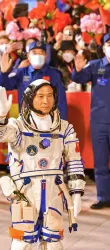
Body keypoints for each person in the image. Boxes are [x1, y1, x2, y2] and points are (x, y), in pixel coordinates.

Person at [0, 80, 85, 250]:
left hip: (54, 193)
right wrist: (1, 115)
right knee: (23, 242)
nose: (46, 101)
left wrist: (76, 193)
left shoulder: (64, 128)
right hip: (26, 194)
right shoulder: (18, 126)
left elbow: (75, 160)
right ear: (30, 98)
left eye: (49, 96)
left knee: (54, 243)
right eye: (40, 96)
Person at [72, 33, 110, 209]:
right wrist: (78, 70)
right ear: (103, 48)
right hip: (99, 122)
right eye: (108, 43)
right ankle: (103, 197)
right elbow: (78, 79)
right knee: (101, 162)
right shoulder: (95, 66)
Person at [0, 41, 68, 120]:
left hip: (48, 121)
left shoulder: (54, 74)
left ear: (45, 56)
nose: (38, 55)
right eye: (34, 52)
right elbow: (5, 86)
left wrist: (61, 123)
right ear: (28, 56)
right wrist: (3, 73)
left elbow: (61, 101)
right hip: (26, 120)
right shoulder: (22, 72)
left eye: (41, 52)